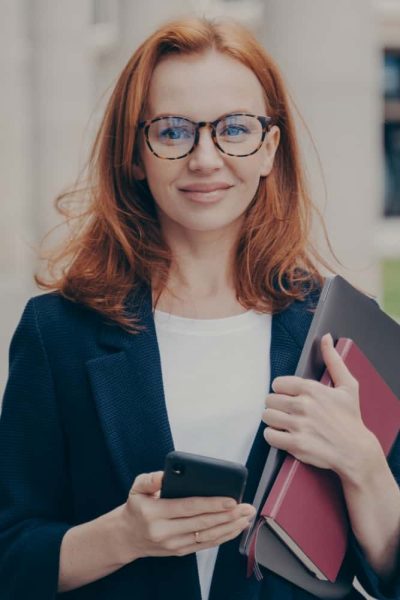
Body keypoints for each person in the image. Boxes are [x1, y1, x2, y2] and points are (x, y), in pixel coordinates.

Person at [0, 16, 399, 600]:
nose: (205, 158)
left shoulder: (342, 330)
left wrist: (364, 465)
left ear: (269, 149)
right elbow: (11, 553)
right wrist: (123, 536)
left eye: (235, 129)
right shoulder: (58, 332)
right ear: (135, 154)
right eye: (172, 131)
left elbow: (386, 575)